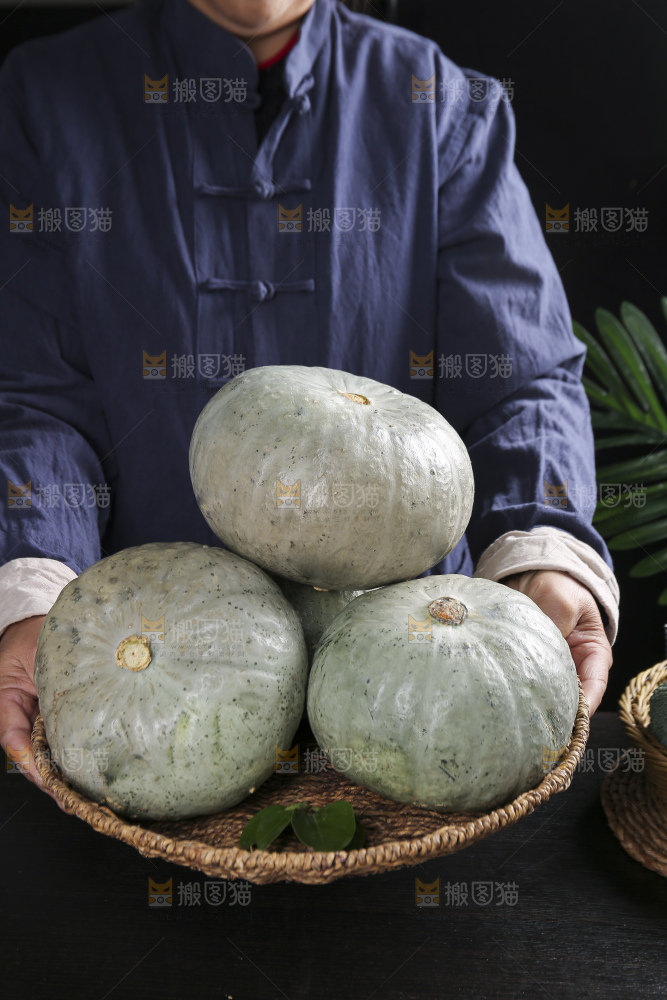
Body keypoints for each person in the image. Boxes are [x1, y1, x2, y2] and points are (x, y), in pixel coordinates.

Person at [0, 0, 617, 800]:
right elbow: (30, 392)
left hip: (418, 700)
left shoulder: (439, 102)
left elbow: (519, 376)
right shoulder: (43, 95)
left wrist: (542, 551)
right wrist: (34, 593)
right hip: (147, 706)